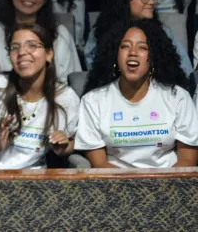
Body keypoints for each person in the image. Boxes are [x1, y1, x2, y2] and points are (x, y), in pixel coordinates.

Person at [77, 18, 198, 168]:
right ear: (115, 54)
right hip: (116, 185)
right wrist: (133, 189)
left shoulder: (178, 97)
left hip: (168, 184)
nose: (133, 53)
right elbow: (100, 164)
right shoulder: (93, 101)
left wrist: (163, 188)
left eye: (143, 48)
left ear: (154, 56)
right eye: (125, 46)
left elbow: (187, 161)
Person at [0, 24, 79, 169]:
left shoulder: (64, 97)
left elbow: (74, 142)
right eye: (15, 48)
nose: (22, 52)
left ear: (49, 54)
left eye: (32, 46)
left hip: (33, 180)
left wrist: (63, 147)